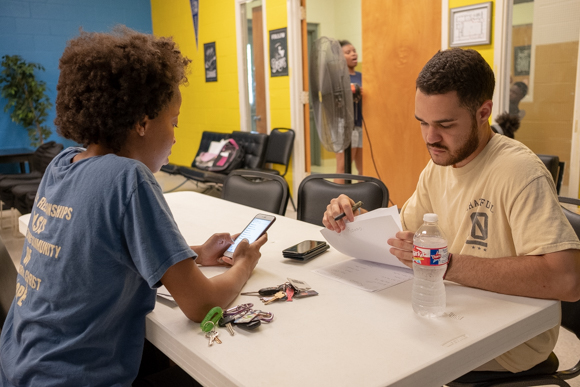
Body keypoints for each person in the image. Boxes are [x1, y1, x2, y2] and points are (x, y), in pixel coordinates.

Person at [0, 27, 266, 386]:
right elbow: (202, 305)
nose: (176, 134)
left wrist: (194, 253)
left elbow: (87, 250)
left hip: (19, 366)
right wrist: (245, 264)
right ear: (142, 122)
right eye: (173, 121)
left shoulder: (62, 164)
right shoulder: (129, 178)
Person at [322, 48, 580, 374]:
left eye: (445, 124)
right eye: (423, 123)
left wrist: (446, 264)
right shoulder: (437, 168)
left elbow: (567, 280)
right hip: (456, 312)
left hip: (514, 340)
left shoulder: (520, 172)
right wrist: (354, 222)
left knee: (379, 362)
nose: (431, 138)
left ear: (483, 111)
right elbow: (402, 238)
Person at [336, 40, 363, 177]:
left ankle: (362, 197)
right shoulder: (338, 78)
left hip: (361, 124)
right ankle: (338, 197)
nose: (353, 54)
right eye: (348, 52)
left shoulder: (361, 76)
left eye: (354, 51)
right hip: (345, 125)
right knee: (343, 169)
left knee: (363, 168)